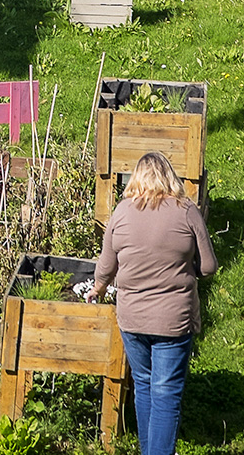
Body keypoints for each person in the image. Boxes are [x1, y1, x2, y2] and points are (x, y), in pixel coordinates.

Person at [90, 151, 217, 455]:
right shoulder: (186, 210)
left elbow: (105, 268)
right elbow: (209, 266)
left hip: (132, 319)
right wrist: (188, 267)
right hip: (173, 319)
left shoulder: (121, 212)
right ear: (170, 177)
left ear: (136, 178)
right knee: (166, 393)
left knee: (144, 387)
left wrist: (100, 289)